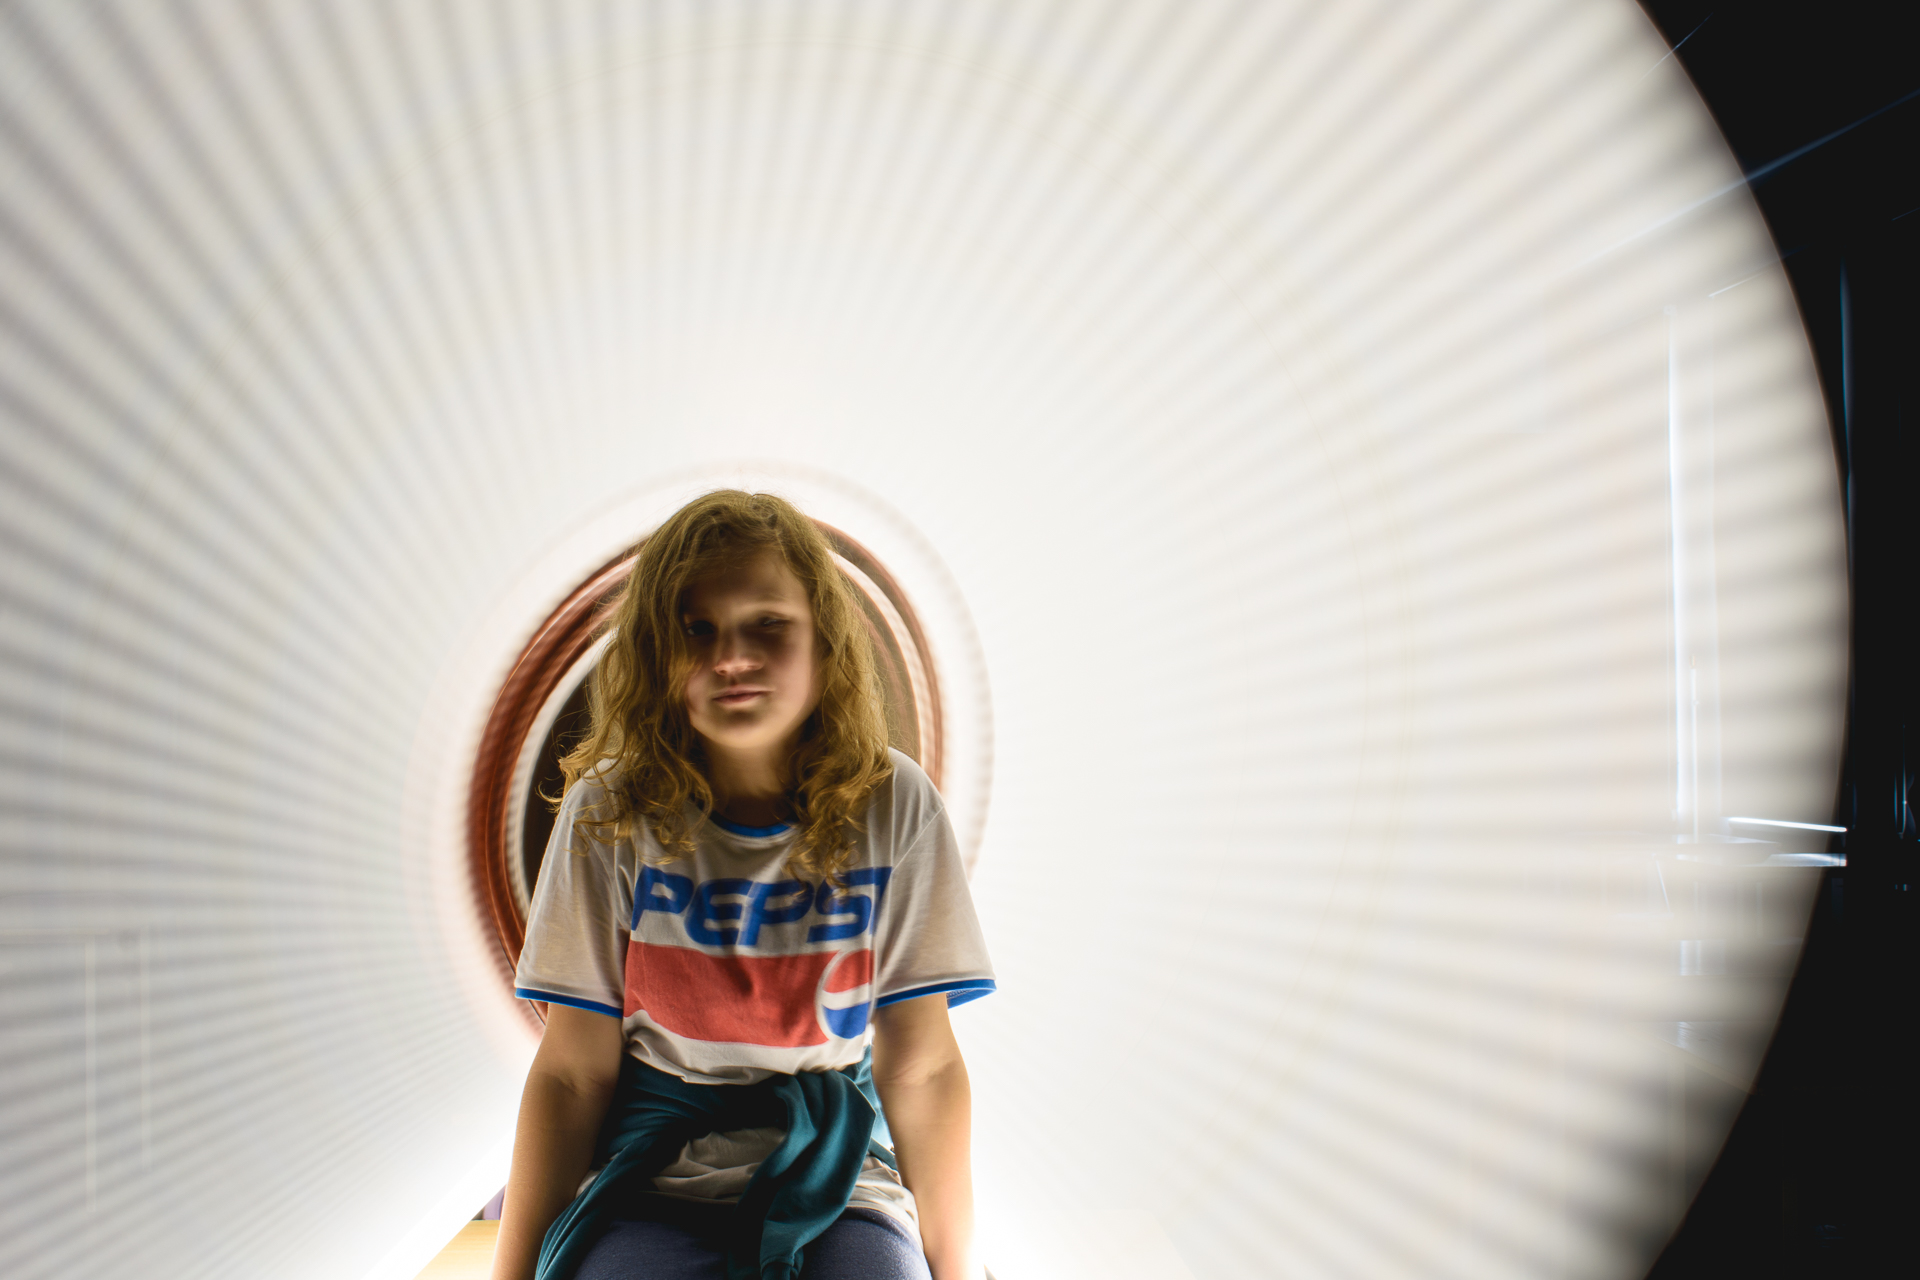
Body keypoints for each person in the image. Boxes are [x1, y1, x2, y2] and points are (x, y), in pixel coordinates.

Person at [489, 491, 995, 1280]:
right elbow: (572, 1073)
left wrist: (956, 1272)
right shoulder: (609, 811)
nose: (731, 657)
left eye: (767, 623)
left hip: (841, 1184)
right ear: (656, 656)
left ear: (824, 644)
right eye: (696, 629)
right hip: (651, 1183)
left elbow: (921, 1067)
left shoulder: (894, 804)